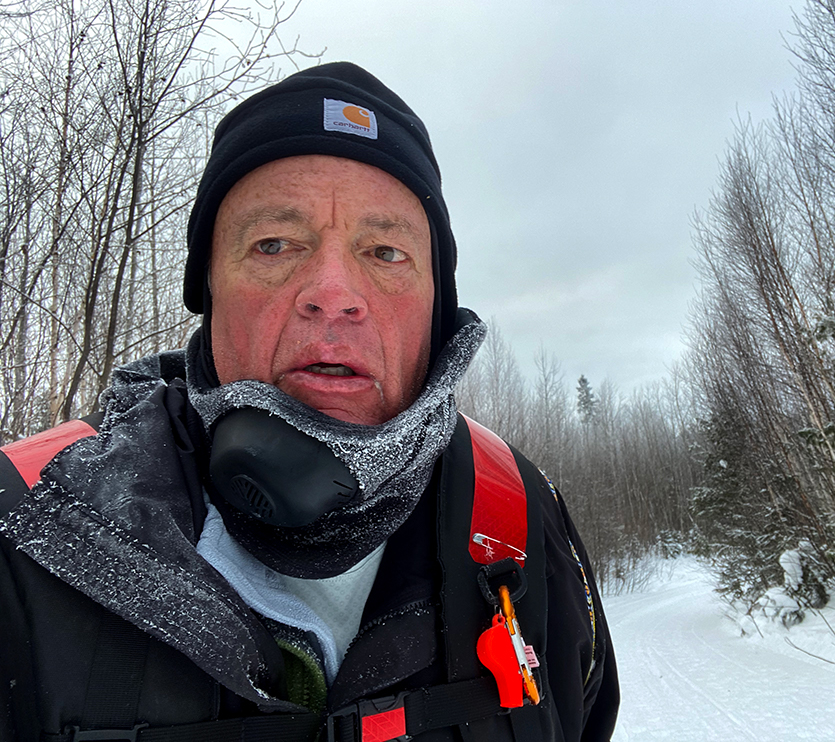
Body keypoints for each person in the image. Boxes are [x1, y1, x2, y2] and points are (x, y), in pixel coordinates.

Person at [0, 63, 618, 741]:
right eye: (274, 245)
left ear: (437, 310)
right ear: (210, 294)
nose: (332, 292)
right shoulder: (30, 527)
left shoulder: (524, 522)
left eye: (385, 252)